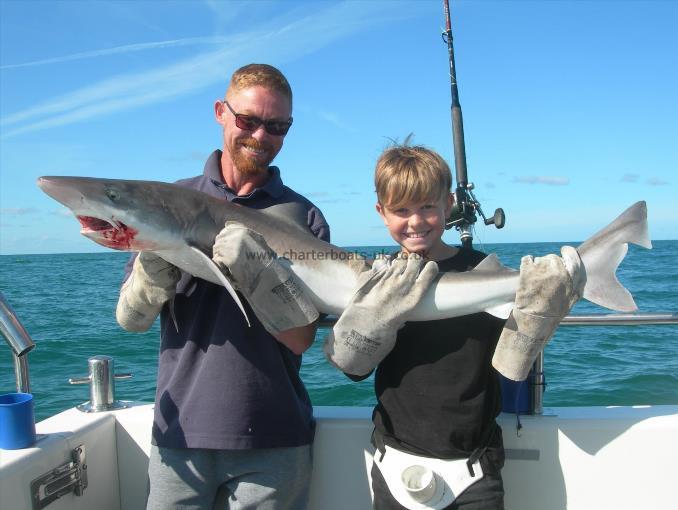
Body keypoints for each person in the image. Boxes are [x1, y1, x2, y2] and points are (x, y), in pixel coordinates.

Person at [115, 63, 329, 509]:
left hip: (276, 440)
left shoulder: (302, 218)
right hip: (180, 438)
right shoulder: (167, 204)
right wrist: (153, 270)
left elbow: (300, 339)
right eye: (248, 120)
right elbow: (132, 322)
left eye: (277, 126)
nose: (260, 135)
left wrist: (261, 277)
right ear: (220, 111)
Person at [324, 143, 584, 510]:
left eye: (427, 207)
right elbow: (354, 370)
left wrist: (544, 301)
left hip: (476, 470)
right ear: (381, 213)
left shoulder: (485, 271)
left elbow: (513, 364)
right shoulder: (374, 282)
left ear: (447, 206)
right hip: (395, 462)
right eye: (401, 210)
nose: (415, 222)